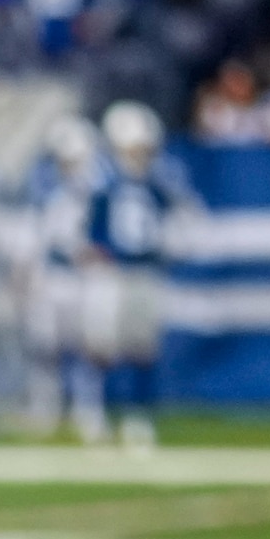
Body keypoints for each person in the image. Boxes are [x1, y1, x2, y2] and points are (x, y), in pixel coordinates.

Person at [75, 101, 177, 449]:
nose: (140, 154)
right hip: (111, 272)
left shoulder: (158, 180)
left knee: (143, 349)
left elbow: (180, 218)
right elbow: (83, 227)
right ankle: (94, 413)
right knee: (101, 347)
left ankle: (138, 416)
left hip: (144, 270)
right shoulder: (101, 179)